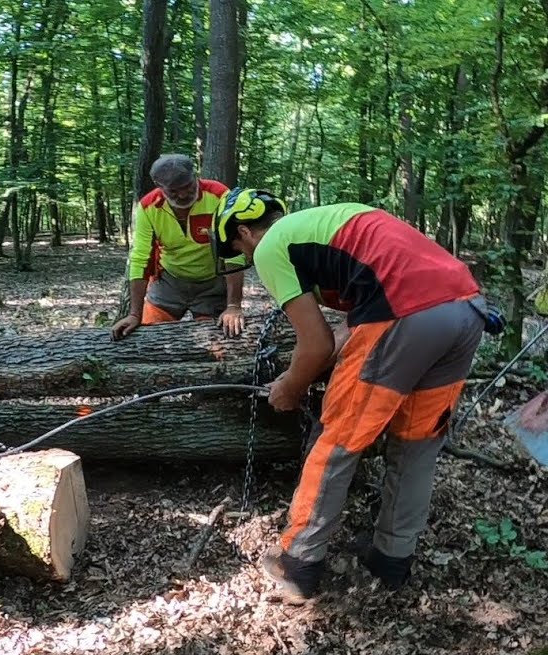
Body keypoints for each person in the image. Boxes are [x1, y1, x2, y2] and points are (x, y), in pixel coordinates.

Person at [211, 189, 488, 603]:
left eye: (238, 248)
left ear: (246, 232)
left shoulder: (271, 246)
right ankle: (392, 558)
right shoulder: (328, 225)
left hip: (405, 313)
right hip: (467, 309)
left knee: (338, 439)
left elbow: (317, 344)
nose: (247, 258)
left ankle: (299, 563)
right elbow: (346, 330)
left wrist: (289, 387)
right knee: (416, 444)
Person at [111, 154, 246, 340]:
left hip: (212, 284)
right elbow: (141, 258)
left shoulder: (219, 196)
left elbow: (233, 251)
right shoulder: (148, 207)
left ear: (195, 176)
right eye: (173, 191)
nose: (182, 195)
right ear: (160, 188)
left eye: (188, 187)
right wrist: (134, 314)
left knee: (215, 341)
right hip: (168, 283)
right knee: (149, 338)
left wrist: (233, 306)